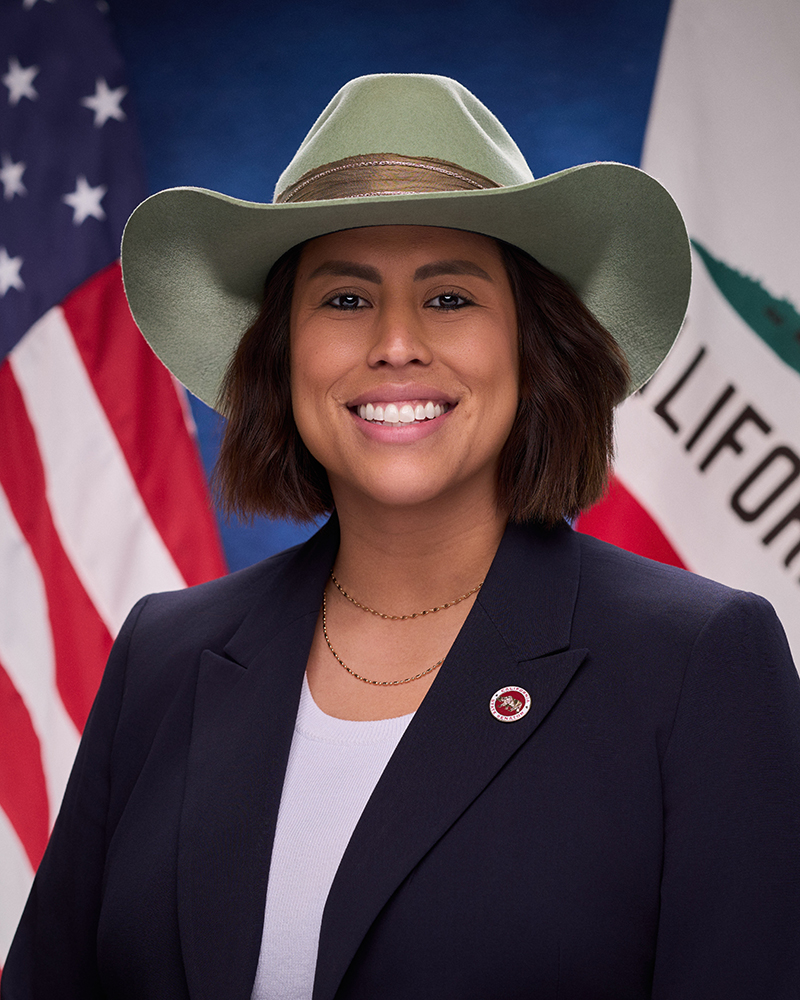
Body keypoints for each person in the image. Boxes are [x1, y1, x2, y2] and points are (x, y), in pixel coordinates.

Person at [3, 73, 799, 1000]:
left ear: (534, 351)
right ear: (281, 355)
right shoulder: (163, 657)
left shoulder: (699, 665)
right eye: (344, 300)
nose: (394, 343)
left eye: (450, 297)